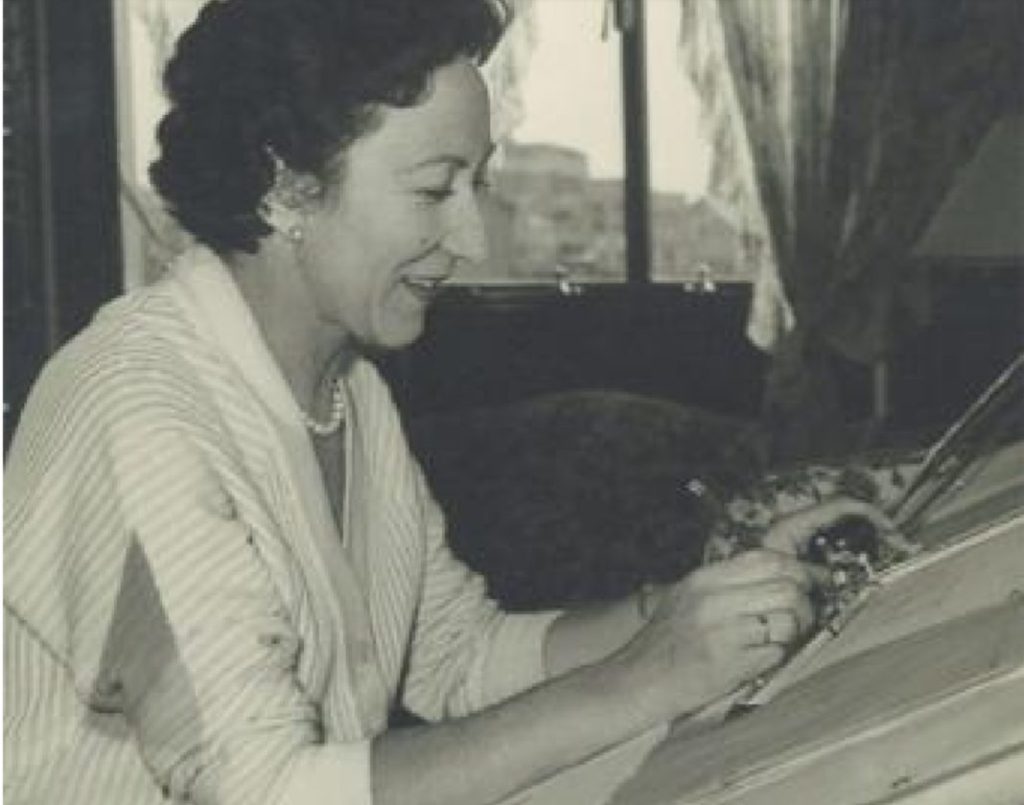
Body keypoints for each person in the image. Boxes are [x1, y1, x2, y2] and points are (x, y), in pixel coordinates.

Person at [2, 1, 894, 803]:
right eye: (433, 189)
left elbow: (461, 658)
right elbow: (266, 790)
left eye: (477, 186)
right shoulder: (136, 410)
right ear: (286, 187)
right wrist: (645, 677)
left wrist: (693, 605)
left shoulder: (348, 388)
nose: (469, 237)